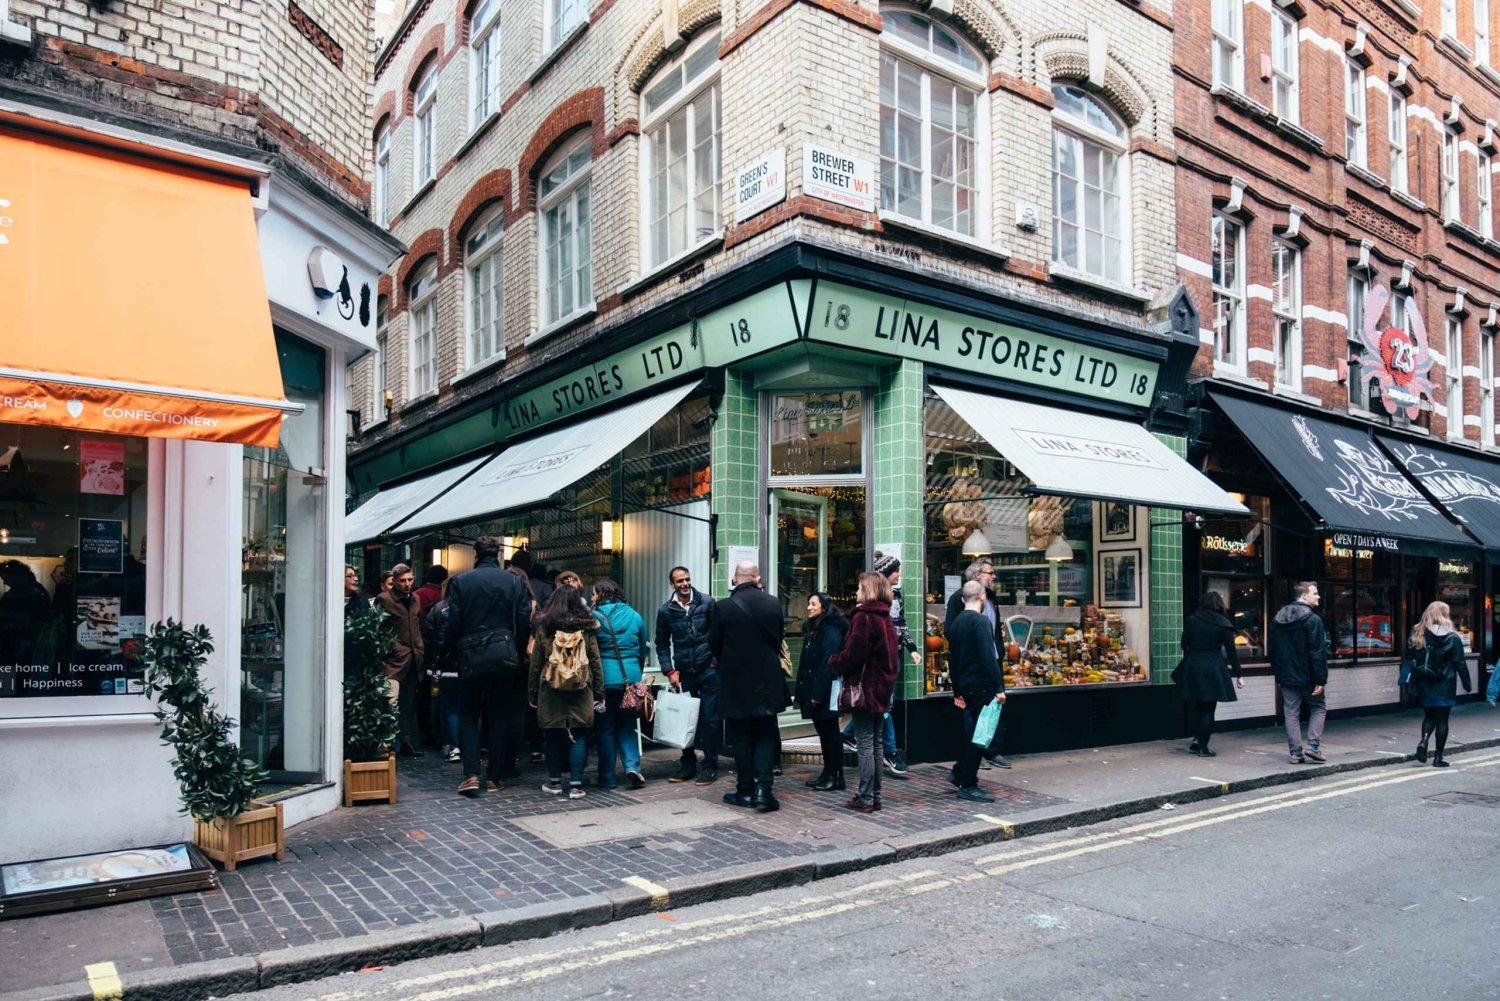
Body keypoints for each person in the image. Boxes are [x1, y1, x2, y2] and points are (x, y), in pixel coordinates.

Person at [442, 536, 531, 798]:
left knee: (469, 714)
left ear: (475, 554)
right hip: (503, 655)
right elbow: (523, 618)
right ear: (499, 554)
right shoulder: (513, 580)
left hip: (470, 656)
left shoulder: (461, 581)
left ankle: (471, 774)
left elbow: (454, 621)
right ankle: (494, 777)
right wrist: (516, 649)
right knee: (499, 716)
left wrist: (453, 650)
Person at [709, 561, 788, 812]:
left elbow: (714, 644)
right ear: (757, 578)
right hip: (767, 678)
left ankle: (744, 790)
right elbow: (778, 639)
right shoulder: (773, 603)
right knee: (765, 734)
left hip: (735, 680)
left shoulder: (722, 607)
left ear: (735, 579)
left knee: (741, 737)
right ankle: (764, 789)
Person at [828, 572, 901, 813]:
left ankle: (866, 797)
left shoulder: (863, 617)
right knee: (877, 743)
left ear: (868, 590)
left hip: (865, 689)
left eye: (859, 587)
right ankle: (875, 796)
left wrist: (834, 661)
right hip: (882, 687)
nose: (856, 592)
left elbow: (853, 655)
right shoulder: (885, 617)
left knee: (865, 743)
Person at [529, 585, 604, 797]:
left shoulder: (545, 626)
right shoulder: (587, 627)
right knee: (579, 735)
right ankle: (576, 786)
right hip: (581, 689)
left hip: (551, 688)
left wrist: (532, 691)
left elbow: (536, 663)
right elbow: (595, 661)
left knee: (552, 735)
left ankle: (554, 783)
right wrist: (599, 691)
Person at [654, 566, 721, 785]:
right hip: (684, 674)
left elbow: (720, 635)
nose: (684, 584)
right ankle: (688, 763)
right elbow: (662, 643)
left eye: (687, 579)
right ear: (671, 584)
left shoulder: (707, 602)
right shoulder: (666, 611)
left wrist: (714, 663)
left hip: (708, 670)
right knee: (686, 720)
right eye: (679, 581)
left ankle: (710, 765)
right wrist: (669, 671)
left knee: (710, 720)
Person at [943, 557, 1010, 768]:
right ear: (978, 575)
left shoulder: (991, 598)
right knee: (973, 712)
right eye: (990, 573)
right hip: (972, 665)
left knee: (994, 708)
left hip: (992, 660)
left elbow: (995, 630)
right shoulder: (959, 599)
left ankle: (992, 750)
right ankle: (973, 755)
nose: (994, 577)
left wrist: (999, 651)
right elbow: (950, 630)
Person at [946, 580, 1006, 802]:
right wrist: (998, 687)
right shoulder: (980, 622)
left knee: (975, 733)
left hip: (966, 685)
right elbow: (988, 656)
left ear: (963, 600)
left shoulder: (957, 623)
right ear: (982, 598)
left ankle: (960, 772)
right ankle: (968, 783)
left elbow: (951, 658)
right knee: (981, 736)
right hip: (982, 685)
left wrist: (957, 690)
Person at [592, 579, 650, 790]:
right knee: (627, 725)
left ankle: (607, 778)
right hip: (630, 677)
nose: (592, 598)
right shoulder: (635, 616)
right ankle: (632, 767)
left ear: (601, 595)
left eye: (594, 594)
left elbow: (590, 651)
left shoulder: (594, 618)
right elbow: (643, 648)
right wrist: (637, 675)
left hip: (605, 680)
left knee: (605, 728)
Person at [1174, 591, 1245, 757]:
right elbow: (1231, 652)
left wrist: (1194, 654)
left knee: (1198, 706)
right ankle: (1203, 748)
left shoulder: (1192, 620)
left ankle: (1196, 741)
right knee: (1208, 708)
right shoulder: (1224, 624)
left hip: (1193, 666)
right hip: (1213, 667)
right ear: (1220, 604)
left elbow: (1184, 644)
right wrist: (1239, 675)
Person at [1269, 581, 1329, 764]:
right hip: (1309, 675)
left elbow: (1274, 650)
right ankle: (1313, 747)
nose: (1318, 596)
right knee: (1318, 707)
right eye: (1315, 593)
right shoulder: (1313, 619)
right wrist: (1321, 679)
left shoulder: (1278, 618)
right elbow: (1317, 652)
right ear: (1304, 596)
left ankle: (1295, 753)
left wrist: (1278, 675)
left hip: (1286, 675)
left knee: (1291, 713)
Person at [795, 591, 848, 792]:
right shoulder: (816, 629)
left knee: (830, 734)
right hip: (817, 690)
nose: (808, 607)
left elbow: (828, 663)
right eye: (809, 603)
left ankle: (835, 776)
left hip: (826, 692)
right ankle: (828, 773)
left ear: (823, 608)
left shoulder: (830, 630)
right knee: (825, 734)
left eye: (813, 604)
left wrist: (817, 694)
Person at [1408, 601, 1472, 767]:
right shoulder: (1452, 637)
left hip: (1425, 682)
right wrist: (1467, 684)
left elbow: (1411, 657)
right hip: (1445, 684)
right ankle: (1438, 758)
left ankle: (1423, 740)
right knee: (1442, 720)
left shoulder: (1419, 633)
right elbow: (1460, 663)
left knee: (1429, 716)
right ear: (1444, 615)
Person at [374, 563, 424, 758]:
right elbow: (378, 628)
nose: (407, 584)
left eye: (410, 580)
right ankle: (385, 744)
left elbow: (417, 624)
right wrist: (390, 649)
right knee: (390, 701)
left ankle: (405, 742)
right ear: (393, 581)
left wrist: (419, 647)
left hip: (413, 658)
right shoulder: (384, 599)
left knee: (408, 703)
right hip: (394, 661)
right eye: (402, 581)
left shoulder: (416, 598)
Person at [421, 580, 462, 762]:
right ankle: (470, 746)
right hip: (468, 664)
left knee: (450, 708)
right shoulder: (469, 607)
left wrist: (434, 666)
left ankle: (453, 746)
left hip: (447, 666)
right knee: (471, 709)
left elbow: (432, 638)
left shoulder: (438, 609)